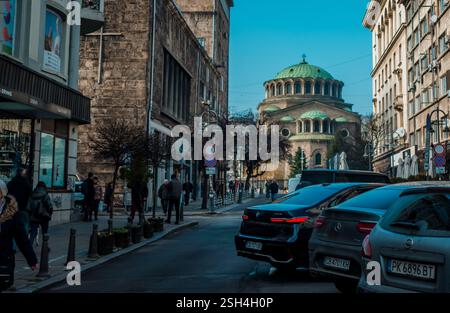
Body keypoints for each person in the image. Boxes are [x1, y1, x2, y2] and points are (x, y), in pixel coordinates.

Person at [0, 179, 38, 292]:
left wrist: (31, 260)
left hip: (3, 259)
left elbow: (22, 239)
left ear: (2, 194)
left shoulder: (11, 214)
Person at [29, 182, 53, 247]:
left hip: (34, 217)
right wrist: (50, 213)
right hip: (44, 216)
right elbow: (49, 206)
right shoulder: (45, 195)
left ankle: (29, 247)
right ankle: (45, 247)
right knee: (45, 233)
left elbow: (29, 206)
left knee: (33, 233)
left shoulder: (32, 194)